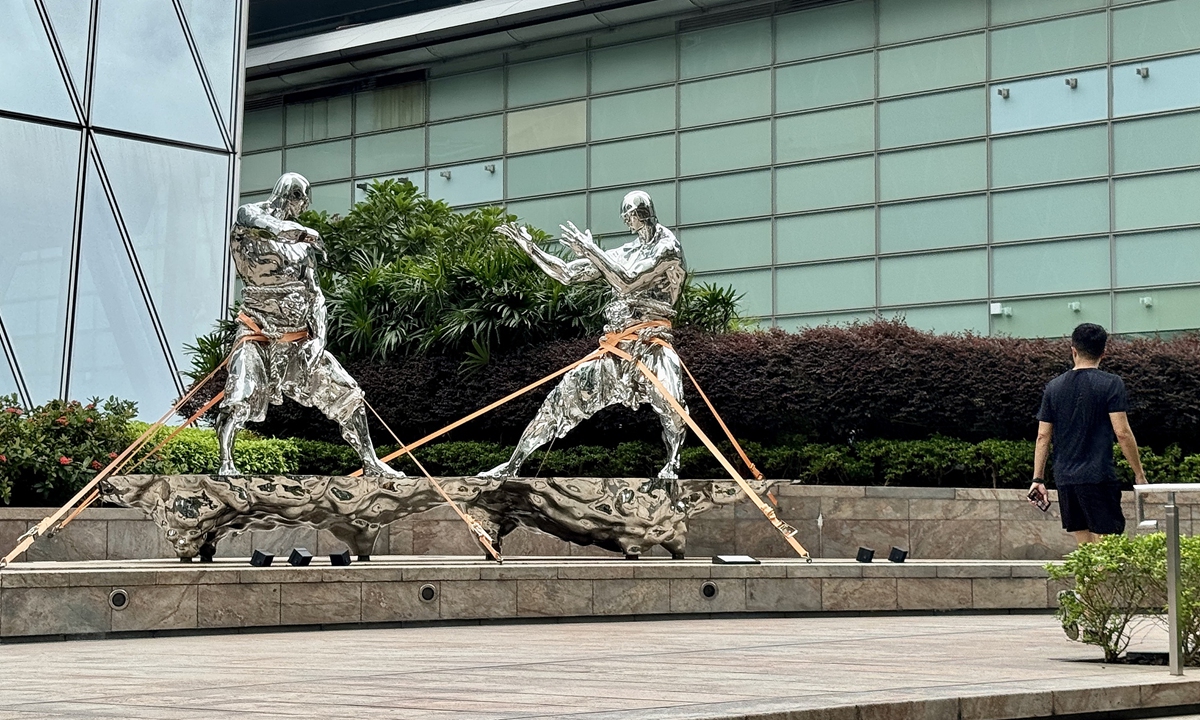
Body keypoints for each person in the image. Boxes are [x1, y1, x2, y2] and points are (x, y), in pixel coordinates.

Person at [483, 190, 689, 479]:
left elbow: (628, 282)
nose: (626, 221)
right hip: (617, 348)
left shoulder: (668, 247)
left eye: (629, 215)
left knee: (671, 402)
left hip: (651, 343)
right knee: (563, 395)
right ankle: (513, 465)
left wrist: (592, 250)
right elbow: (569, 274)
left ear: (641, 214)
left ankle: (673, 463)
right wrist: (532, 250)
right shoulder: (626, 252)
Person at [215, 172, 403, 479]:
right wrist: (304, 232)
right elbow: (273, 228)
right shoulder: (248, 218)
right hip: (258, 331)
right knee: (241, 394)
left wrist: (320, 339)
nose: (305, 208)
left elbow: (316, 296)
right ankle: (226, 462)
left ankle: (370, 461)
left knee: (348, 392)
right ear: (292, 197)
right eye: (303, 200)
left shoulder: (303, 249)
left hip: (297, 339)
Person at [1029, 323, 1147, 543]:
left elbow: (1043, 436)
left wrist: (1038, 478)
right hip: (1098, 476)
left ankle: (1086, 580)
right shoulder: (1111, 384)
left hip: (1065, 478)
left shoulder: (1053, 387)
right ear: (1103, 352)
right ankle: (1100, 579)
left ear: (1073, 349)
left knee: (1084, 547)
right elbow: (1122, 432)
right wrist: (1139, 474)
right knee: (1106, 544)